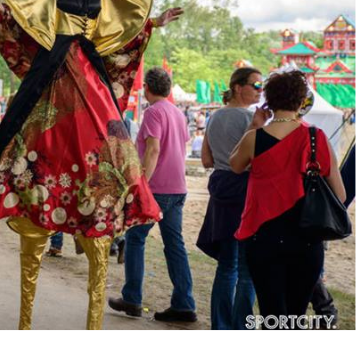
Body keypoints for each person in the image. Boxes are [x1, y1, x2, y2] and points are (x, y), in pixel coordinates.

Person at [0, 0, 178, 330]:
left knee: (109, 143)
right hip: (52, 70)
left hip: (89, 73)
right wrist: (2, 11)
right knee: (28, 131)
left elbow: (118, 36)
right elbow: (23, 20)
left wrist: (152, 24)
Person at [230, 71, 345, 322]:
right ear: (302, 101)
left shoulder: (254, 138)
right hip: (306, 238)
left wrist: (255, 125)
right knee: (296, 315)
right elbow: (340, 193)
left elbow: (235, 165)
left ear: (268, 100)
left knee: (271, 314)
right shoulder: (316, 138)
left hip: (264, 237)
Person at [110, 68, 197, 323]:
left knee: (135, 238)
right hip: (178, 187)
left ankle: (132, 298)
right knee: (175, 246)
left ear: (147, 87)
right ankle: (184, 303)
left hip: (156, 187)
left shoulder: (153, 112)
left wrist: (141, 184)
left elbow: (154, 148)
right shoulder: (178, 114)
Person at [196, 67, 263, 329]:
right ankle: (241, 327)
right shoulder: (251, 120)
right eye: (256, 85)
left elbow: (206, 160)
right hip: (245, 190)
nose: (260, 90)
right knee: (247, 268)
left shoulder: (213, 117)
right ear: (238, 87)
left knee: (226, 266)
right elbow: (258, 160)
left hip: (221, 189)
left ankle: (220, 325)